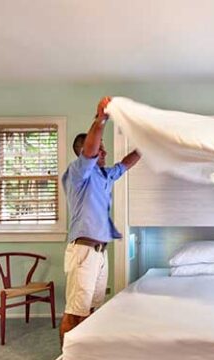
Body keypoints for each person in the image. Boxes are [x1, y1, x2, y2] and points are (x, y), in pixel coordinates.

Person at [59, 96, 141, 344]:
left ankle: (85, 358)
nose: (103, 151)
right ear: (84, 153)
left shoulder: (104, 175)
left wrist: (147, 145)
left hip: (99, 253)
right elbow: (91, 150)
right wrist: (101, 119)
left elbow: (125, 164)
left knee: (92, 311)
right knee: (75, 312)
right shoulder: (78, 173)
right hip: (83, 251)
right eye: (99, 148)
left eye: (103, 147)